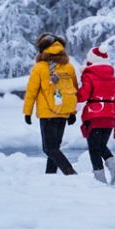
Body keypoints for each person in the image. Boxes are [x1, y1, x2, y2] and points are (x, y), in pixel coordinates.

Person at [23, 33, 79, 175]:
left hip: (48, 113)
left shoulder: (40, 67)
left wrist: (27, 112)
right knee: (55, 147)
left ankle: (70, 172)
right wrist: (72, 113)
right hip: (64, 112)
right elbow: (74, 90)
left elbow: (31, 92)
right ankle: (50, 176)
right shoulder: (69, 67)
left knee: (49, 148)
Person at [77, 45, 115, 185]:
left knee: (94, 148)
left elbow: (83, 95)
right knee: (101, 145)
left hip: (94, 115)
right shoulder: (113, 78)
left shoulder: (89, 75)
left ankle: (100, 180)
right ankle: (114, 169)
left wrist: (73, 94)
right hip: (110, 116)